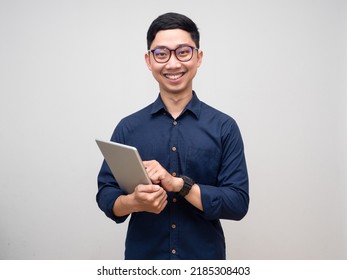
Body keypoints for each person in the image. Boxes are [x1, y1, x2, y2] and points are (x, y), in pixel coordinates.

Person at [97, 12, 249, 260]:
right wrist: (134, 202)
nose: (173, 64)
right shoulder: (128, 128)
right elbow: (106, 195)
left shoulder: (224, 127)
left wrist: (179, 185)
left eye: (183, 52)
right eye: (161, 53)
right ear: (149, 60)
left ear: (198, 57)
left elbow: (238, 203)